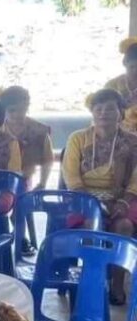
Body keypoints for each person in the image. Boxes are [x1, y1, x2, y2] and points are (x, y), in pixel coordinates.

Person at [62, 89, 137, 303]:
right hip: (84, 197)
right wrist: (94, 205)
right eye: (99, 108)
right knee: (91, 225)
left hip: (124, 197)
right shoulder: (77, 138)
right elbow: (71, 177)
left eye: (110, 108)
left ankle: (116, 284)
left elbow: (135, 179)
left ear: (121, 112)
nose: (104, 113)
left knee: (124, 226)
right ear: (92, 112)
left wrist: (123, 201)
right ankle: (92, 281)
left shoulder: (133, 142)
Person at [0, 86, 53, 253]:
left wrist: (42, 183)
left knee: (20, 205)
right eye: (12, 111)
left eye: (22, 109)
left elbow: (47, 160)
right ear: (4, 110)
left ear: (28, 106)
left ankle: (21, 238)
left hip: (23, 179)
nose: (17, 115)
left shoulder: (39, 131)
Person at [104, 38, 137, 131]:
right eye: (132, 67)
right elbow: (103, 111)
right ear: (125, 64)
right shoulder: (112, 85)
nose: (135, 71)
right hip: (115, 130)